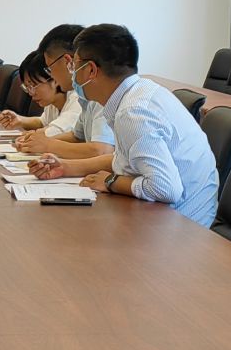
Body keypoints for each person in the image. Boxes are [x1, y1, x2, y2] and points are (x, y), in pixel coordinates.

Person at [58, 23, 219, 225]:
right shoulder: (138, 92)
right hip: (167, 215)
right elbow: (125, 160)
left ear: (91, 70)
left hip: (183, 226)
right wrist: (67, 167)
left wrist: (111, 181)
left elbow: (165, 189)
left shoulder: (133, 113)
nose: (72, 74)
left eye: (74, 66)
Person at [25, 24, 117, 171]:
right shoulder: (84, 94)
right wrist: (38, 142)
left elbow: (101, 150)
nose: (51, 75)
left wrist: (48, 144)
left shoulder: (101, 93)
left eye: (49, 68)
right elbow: (77, 136)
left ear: (69, 62)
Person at [0, 49, 82, 138]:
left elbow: (57, 130)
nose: (31, 93)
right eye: (27, 87)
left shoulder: (78, 99)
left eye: (33, 85)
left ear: (54, 78)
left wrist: (33, 135)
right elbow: (42, 122)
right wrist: (20, 120)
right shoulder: (53, 102)